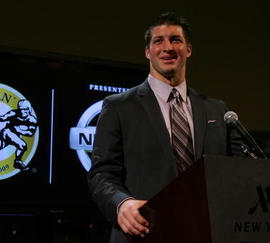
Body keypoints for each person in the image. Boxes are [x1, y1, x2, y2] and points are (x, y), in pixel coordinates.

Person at [87, 12, 243, 243]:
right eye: (158, 41)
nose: (167, 47)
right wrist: (122, 203)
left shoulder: (217, 110)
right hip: (144, 233)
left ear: (188, 49)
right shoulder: (118, 107)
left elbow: (239, 170)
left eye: (175, 40)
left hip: (207, 234)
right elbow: (102, 173)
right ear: (148, 52)